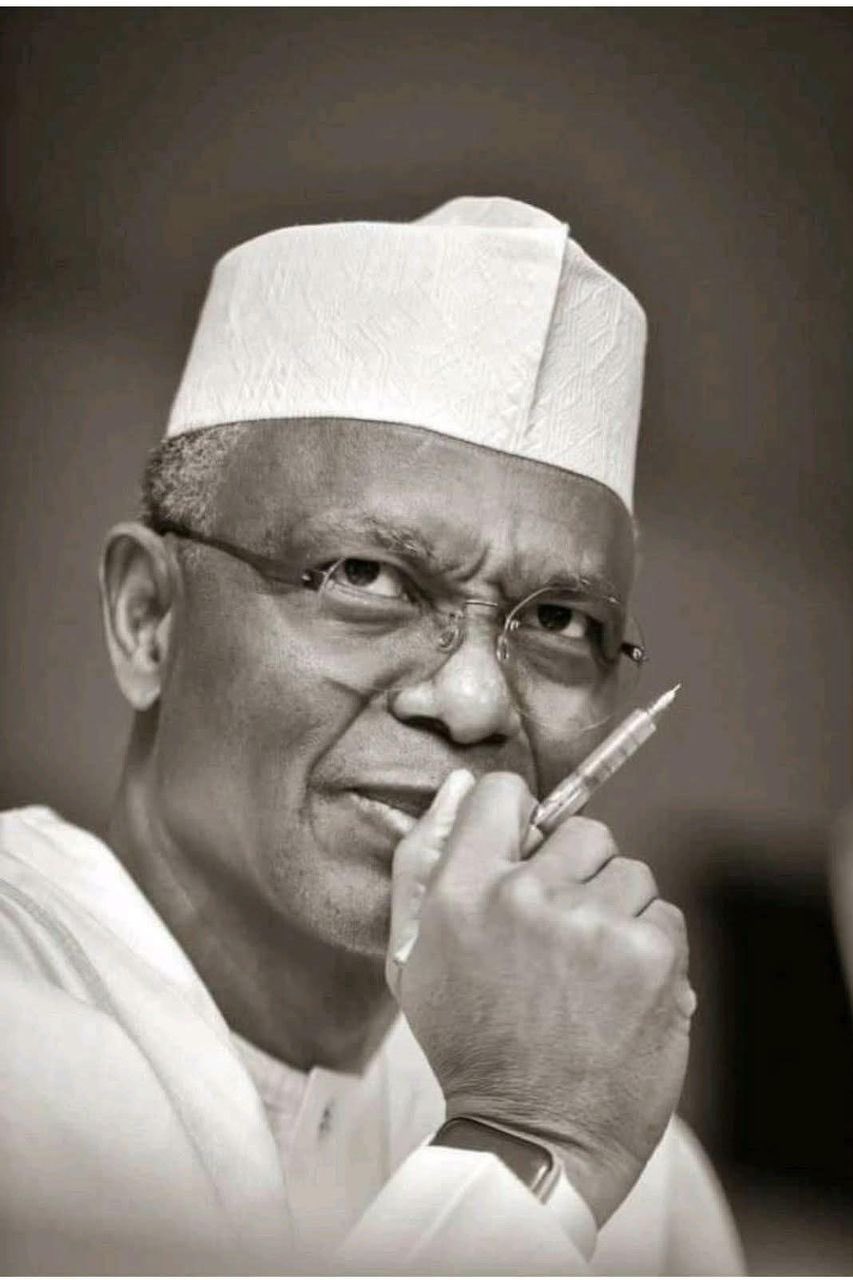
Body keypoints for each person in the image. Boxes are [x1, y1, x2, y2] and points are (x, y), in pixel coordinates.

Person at [0, 196, 744, 1274]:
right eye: (366, 575)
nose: (476, 701)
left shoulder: (645, 1185)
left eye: (557, 621)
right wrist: (521, 1154)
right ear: (147, 616)